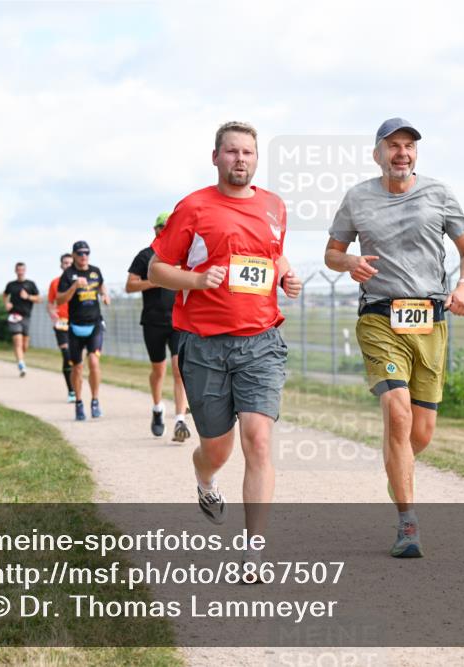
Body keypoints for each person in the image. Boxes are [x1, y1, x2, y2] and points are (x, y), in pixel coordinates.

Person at [149, 121, 302, 579]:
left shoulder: (274, 206)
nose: (240, 159)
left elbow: (273, 255)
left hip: (261, 342)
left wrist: (287, 277)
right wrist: (195, 280)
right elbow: (158, 269)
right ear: (215, 157)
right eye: (232, 152)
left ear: (256, 159)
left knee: (258, 440)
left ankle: (254, 550)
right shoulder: (193, 208)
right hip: (203, 347)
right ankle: (205, 480)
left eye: (248, 153)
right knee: (216, 449)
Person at [324, 118, 464, 559]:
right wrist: (349, 261)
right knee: (397, 411)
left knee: (421, 431)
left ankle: (398, 465)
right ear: (377, 153)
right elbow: (331, 253)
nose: (402, 153)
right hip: (380, 317)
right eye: (393, 145)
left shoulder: (439, 193)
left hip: (430, 321)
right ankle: (408, 523)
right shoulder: (357, 198)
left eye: (409, 146)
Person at [127, 212, 191, 442]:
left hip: (177, 321)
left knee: (179, 370)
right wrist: (154, 281)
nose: (164, 229)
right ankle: (157, 409)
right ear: (154, 229)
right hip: (153, 321)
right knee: (158, 371)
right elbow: (129, 286)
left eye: (168, 226)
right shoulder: (145, 256)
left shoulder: (182, 255)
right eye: (161, 226)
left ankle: (180, 421)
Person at [56, 241, 110, 421]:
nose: (84, 256)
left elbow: (101, 284)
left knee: (94, 362)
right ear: (73, 255)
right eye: (80, 253)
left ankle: (95, 401)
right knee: (77, 368)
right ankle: (79, 403)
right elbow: (59, 300)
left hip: (94, 324)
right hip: (75, 327)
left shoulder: (95, 270)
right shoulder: (68, 274)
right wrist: (74, 287)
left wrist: (105, 294)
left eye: (87, 253)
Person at [3, 262, 41, 378]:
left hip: (26, 316)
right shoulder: (11, 285)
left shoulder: (30, 284)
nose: (20, 272)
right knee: (17, 341)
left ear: (25, 270)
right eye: (18, 270)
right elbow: (4, 295)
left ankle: (20, 358)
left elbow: (39, 299)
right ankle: (21, 364)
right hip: (14, 316)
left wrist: (28, 297)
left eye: (22, 270)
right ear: (15, 271)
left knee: (24, 345)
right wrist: (6, 304)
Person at [48, 253, 77, 402]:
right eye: (65, 263)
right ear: (61, 265)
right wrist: (53, 314)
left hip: (77, 322)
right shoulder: (54, 283)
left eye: (69, 263)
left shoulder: (79, 282)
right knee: (66, 354)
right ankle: (71, 390)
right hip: (61, 323)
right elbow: (50, 304)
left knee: (75, 358)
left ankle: (77, 386)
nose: (67, 265)